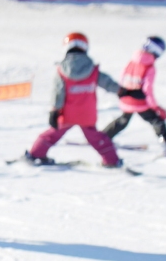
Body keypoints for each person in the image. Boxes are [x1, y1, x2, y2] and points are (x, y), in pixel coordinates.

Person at [24, 32, 124, 167]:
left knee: (51, 135)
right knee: (97, 138)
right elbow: (108, 83)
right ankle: (111, 161)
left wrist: (54, 110)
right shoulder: (93, 70)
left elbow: (58, 92)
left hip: (67, 114)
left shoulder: (61, 70)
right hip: (87, 115)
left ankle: (36, 154)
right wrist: (124, 91)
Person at [101, 36, 166, 155]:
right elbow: (147, 90)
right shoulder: (149, 66)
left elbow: (122, 78)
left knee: (123, 120)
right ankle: (165, 144)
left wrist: (123, 94)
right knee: (156, 120)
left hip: (126, 98)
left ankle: (102, 138)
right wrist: (155, 107)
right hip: (140, 102)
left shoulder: (132, 61)